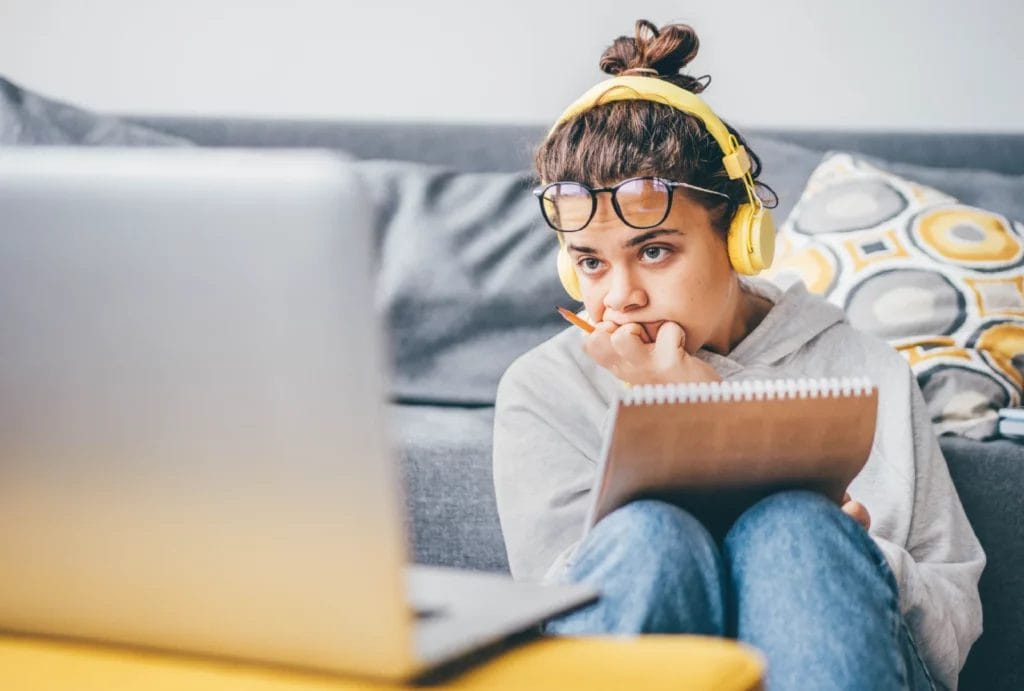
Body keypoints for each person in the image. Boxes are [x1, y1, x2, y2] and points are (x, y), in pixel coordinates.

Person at [492, 19, 984, 691]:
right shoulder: (545, 389)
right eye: (591, 262)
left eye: (654, 250)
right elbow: (552, 623)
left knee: (797, 530)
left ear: (741, 237)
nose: (621, 297)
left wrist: (854, 552)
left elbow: (953, 625)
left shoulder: (865, 368)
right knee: (647, 535)